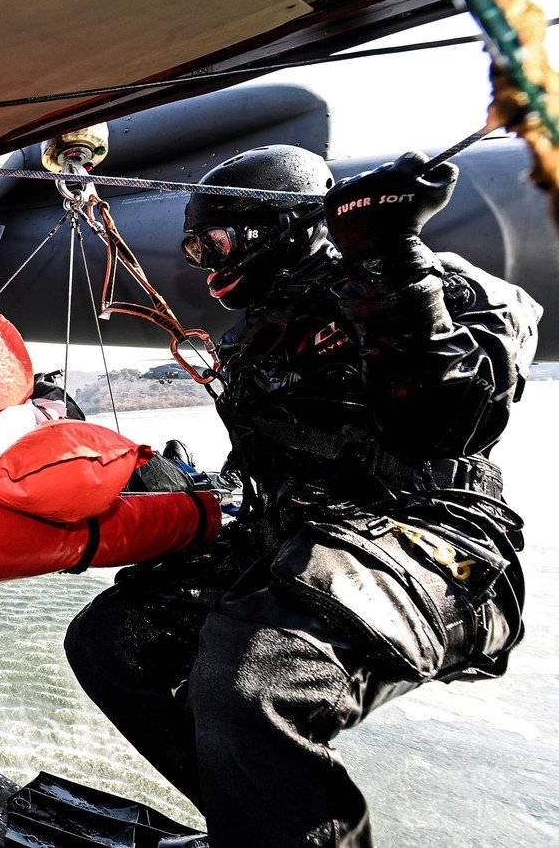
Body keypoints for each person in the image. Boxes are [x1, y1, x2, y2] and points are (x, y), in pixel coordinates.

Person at [63, 145, 541, 846]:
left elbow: (445, 425)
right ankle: (269, 831)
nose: (203, 260)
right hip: (297, 536)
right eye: (194, 244)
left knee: (253, 673)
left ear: (277, 229)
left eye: (215, 240)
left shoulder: (436, 283)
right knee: (112, 641)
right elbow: (268, 469)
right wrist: (196, 489)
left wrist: (388, 257)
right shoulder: (257, 338)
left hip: (442, 546)